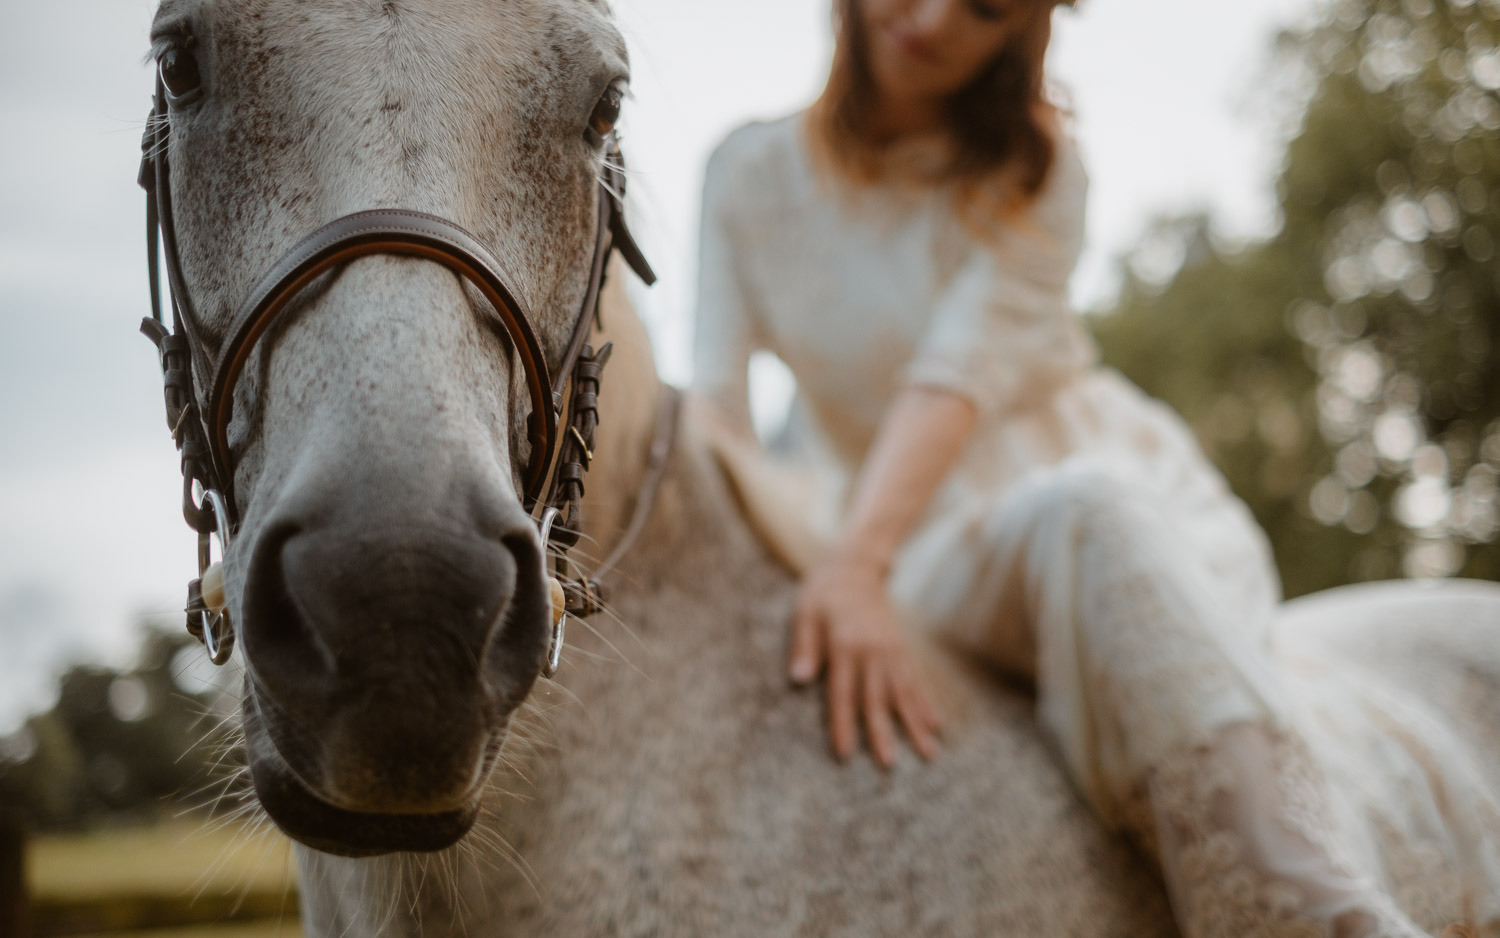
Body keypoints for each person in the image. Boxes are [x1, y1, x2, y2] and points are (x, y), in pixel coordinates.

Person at [691, 0, 1500, 936]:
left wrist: (855, 562)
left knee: (1090, 515)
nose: (936, 19)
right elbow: (717, 409)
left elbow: (949, 381)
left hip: (1091, 511)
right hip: (908, 555)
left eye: (986, 8)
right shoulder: (744, 171)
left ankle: (1308, 916)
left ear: (1015, 36)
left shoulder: (1038, 171)